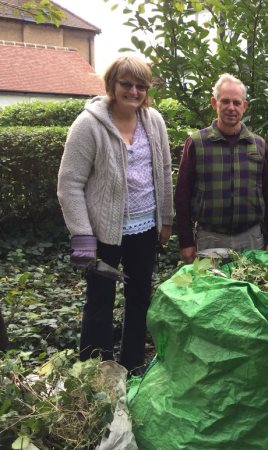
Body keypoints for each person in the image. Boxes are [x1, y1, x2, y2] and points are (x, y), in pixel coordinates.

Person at [57, 56, 173, 373]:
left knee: (138, 299)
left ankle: (132, 365)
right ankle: (97, 372)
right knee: (100, 302)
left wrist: (166, 218)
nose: (133, 91)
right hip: (102, 235)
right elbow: (69, 184)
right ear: (112, 84)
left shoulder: (154, 122)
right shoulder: (89, 125)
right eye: (126, 84)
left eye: (140, 85)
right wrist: (82, 236)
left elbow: (163, 170)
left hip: (144, 230)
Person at [175, 74, 268, 261]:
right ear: (214, 103)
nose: (231, 108)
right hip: (210, 238)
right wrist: (186, 241)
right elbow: (182, 194)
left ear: (244, 106)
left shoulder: (258, 145)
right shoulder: (197, 143)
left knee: (252, 288)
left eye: (236, 102)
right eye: (225, 101)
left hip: (251, 238)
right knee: (212, 289)